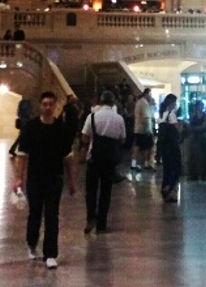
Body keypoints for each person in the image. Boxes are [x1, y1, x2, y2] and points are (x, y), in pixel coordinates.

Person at [14, 91, 72, 267]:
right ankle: (32, 243)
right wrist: (18, 178)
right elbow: (22, 155)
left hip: (55, 177)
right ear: (41, 105)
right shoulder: (31, 127)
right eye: (45, 104)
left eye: (50, 104)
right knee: (35, 213)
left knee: (52, 214)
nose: (47, 107)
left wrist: (72, 181)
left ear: (55, 106)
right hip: (35, 177)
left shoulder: (61, 128)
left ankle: (50, 254)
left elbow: (67, 157)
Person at [80, 90, 126, 233]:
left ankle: (90, 218)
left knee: (91, 190)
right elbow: (122, 138)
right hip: (110, 159)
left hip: (94, 158)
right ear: (113, 102)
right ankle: (101, 224)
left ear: (100, 101)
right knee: (106, 191)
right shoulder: (119, 119)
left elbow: (84, 138)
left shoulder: (92, 117)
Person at [157, 92, 183, 203]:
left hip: (164, 146)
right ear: (172, 103)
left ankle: (165, 188)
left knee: (167, 169)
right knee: (176, 169)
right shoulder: (172, 114)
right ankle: (170, 190)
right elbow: (178, 129)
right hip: (172, 146)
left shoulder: (163, 114)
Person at [186, 96, 206, 181]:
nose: (202, 107)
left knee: (202, 157)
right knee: (194, 157)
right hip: (198, 138)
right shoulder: (200, 116)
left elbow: (192, 127)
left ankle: (202, 175)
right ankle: (194, 175)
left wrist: (195, 129)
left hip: (199, 138)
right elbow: (203, 126)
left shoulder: (196, 116)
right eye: (201, 106)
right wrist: (198, 129)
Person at [132, 87, 155, 172]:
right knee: (148, 146)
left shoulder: (139, 102)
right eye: (150, 94)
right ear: (147, 94)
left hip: (138, 128)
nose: (151, 96)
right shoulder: (144, 103)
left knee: (139, 146)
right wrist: (148, 129)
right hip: (144, 129)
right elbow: (146, 117)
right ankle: (147, 163)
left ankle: (135, 164)